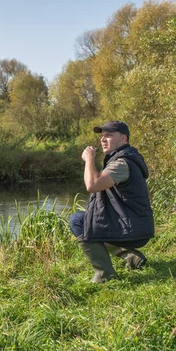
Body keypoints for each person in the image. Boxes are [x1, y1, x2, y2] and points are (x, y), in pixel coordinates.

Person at [69, 121, 155, 283]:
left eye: (108, 135)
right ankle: (131, 257)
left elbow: (92, 185)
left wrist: (89, 159)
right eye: (102, 136)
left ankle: (104, 275)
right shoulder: (123, 158)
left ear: (123, 138)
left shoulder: (121, 163)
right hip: (134, 225)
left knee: (78, 221)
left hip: (132, 229)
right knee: (93, 220)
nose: (103, 139)